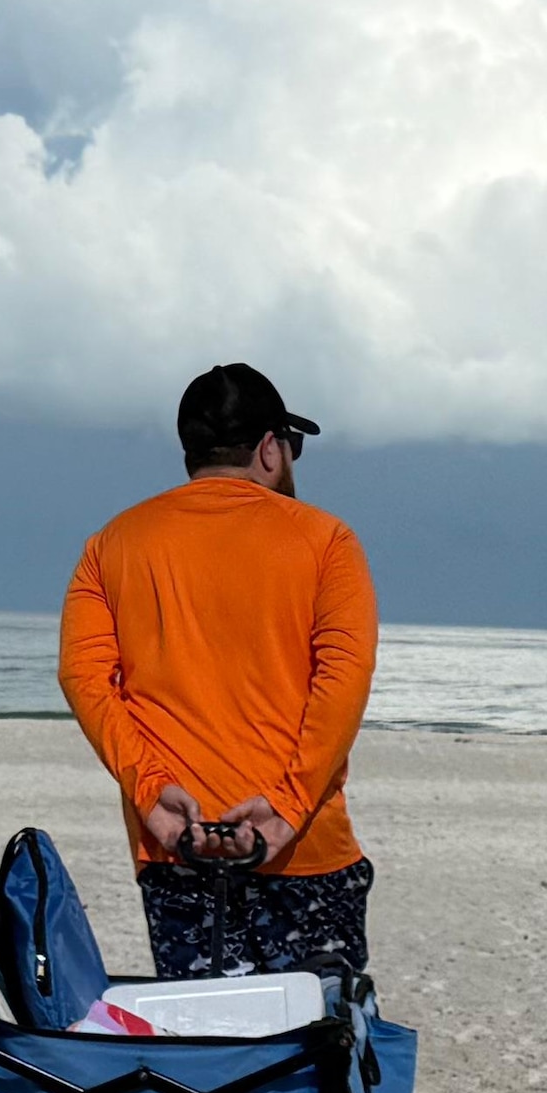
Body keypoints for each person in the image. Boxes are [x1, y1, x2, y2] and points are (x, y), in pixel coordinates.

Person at [57, 364, 381, 988]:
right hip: (304, 852)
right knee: (313, 1061)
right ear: (268, 446)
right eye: (292, 445)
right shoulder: (327, 540)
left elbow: (85, 678)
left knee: (210, 1059)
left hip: (177, 845)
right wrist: (285, 810)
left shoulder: (112, 544)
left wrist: (153, 796)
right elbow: (342, 678)